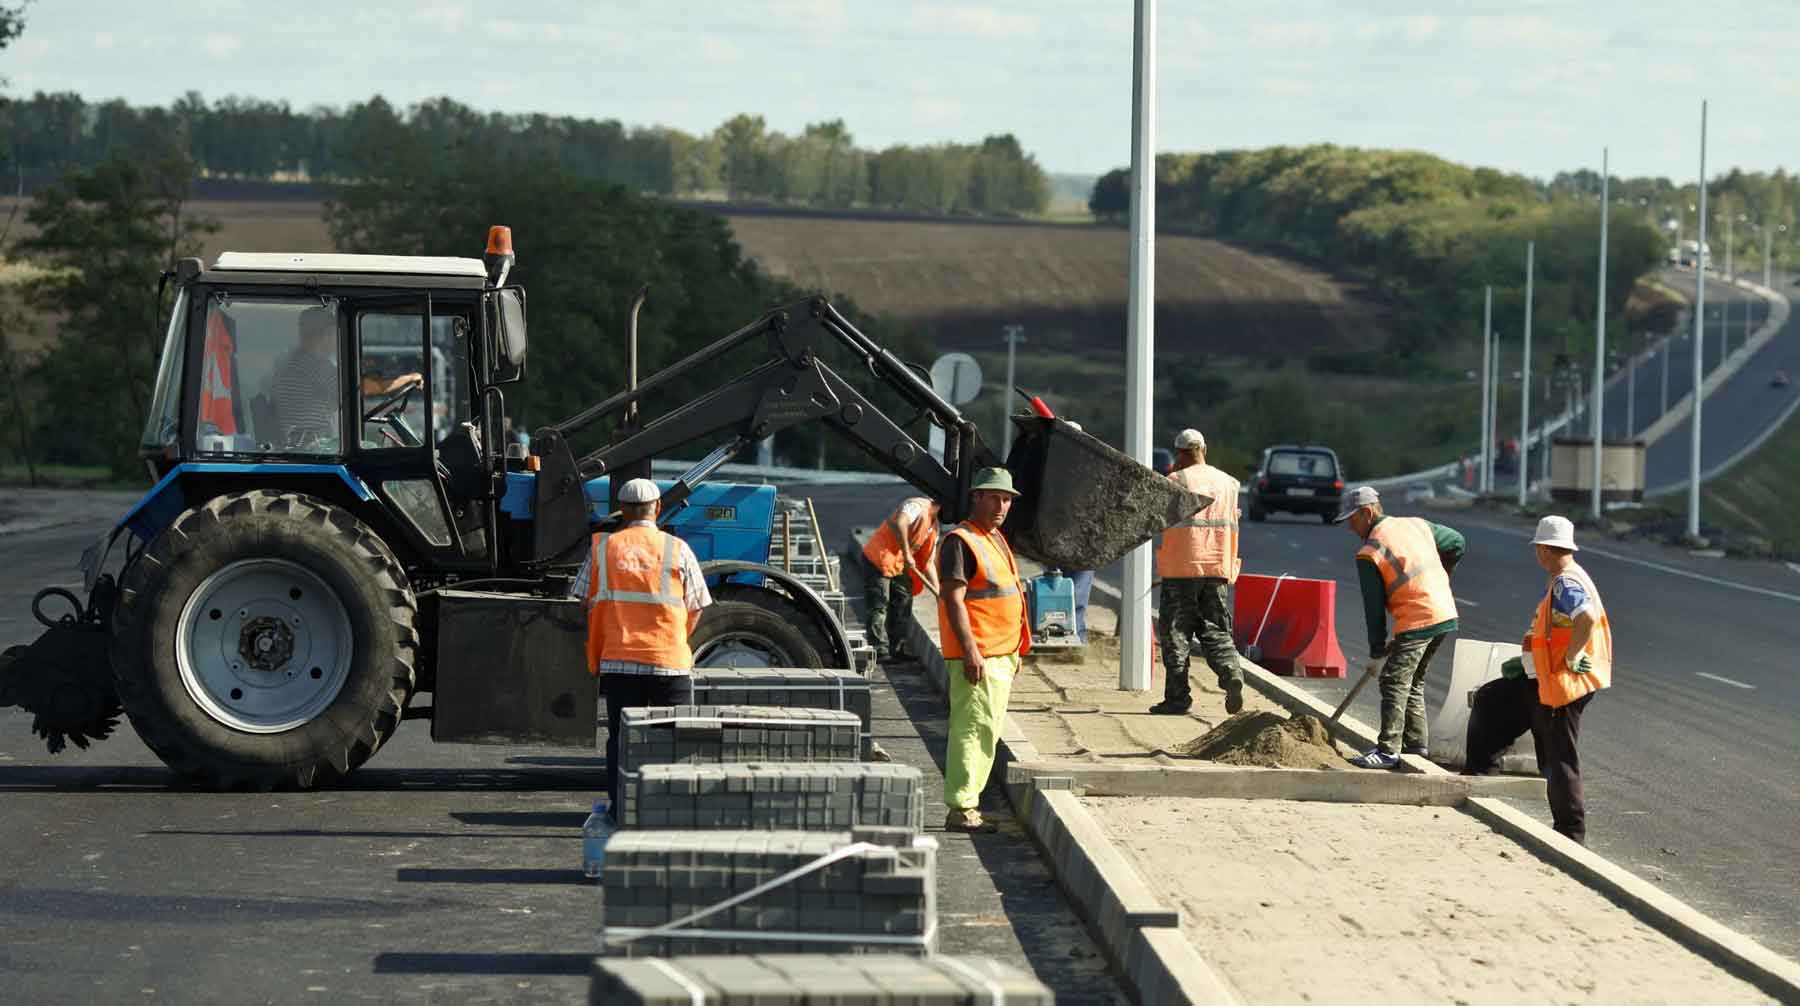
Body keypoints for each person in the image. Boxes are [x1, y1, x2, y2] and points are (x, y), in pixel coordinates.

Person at [1463, 516, 1612, 844]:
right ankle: (1479, 780)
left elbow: (1584, 619)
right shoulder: (1569, 577)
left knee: (1558, 756)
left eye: (1537, 549)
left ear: (1544, 549)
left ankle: (1571, 836)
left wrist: (1570, 656)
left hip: (1560, 683)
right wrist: (1528, 659)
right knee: (1491, 702)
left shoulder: (1566, 583)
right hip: (1540, 679)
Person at [572, 478, 714, 816]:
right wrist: (676, 637)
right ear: (658, 508)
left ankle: (623, 809)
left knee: (622, 743)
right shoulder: (676, 549)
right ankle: (672, 811)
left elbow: (580, 600)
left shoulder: (603, 549)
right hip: (670, 664)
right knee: (675, 741)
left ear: (621, 510)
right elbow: (697, 605)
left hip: (620, 663)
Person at [1336, 485, 1464, 769]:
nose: (1350, 528)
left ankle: (1387, 750)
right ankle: (1417, 746)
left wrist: (1376, 650)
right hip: (1444, 612)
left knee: (1393, 679)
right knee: (1413, 679)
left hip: (1419, 618)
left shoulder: (1370, 552)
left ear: (1368, 513)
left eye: (1352, 520)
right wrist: (1443, 578)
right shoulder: (1416, 525)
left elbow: (1374, 609)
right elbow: (1457, 542)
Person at [937, 467, 1032, 834]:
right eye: (993, 497)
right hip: (979, 655)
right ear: (976, 497)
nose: (1001, 505)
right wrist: (971, 651)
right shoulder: (961, 541)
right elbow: (953, 600)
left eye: (1006, 498)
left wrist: (1014, 650)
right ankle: (961, 808)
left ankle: (968, 803)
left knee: (985, 730)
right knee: (973, 729)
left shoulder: (992, 538)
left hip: (999, 654)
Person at [1150, 428, 1247, 716]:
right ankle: (1231, 673)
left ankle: (1178, 698)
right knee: (1216, 630)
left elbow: (1158, 519)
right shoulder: (1230, 483)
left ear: (1180, 453)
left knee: (1176, 633)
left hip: (1182, 569)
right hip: (1217, 568)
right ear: (1204, 448)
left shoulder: (1176, 481)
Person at [861, 495, 942, 663]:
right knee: (879, 604)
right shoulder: (917, 506)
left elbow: (928, 563)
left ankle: (897, 648)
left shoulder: (934, 528)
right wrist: (906, 553)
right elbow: (900, 523)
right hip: (878, 557)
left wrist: (938, 592)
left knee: (904, 601)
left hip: (897, 564)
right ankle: (879, 650)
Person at [271, 305, 343, 451]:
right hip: (311, 444)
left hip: (295, 441)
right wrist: (400, 381)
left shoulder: (289, 360)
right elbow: (353, 393)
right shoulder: (314, 363)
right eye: (336, 334)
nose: (337, 340)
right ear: (326, 335)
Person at [1062, 421, 1096, 644]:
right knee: (1070, 592)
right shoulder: (1089, 466)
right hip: (1073, 541)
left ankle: (1071, 638)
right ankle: (1072, 638)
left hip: (1073, 541)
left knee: (1069, 592)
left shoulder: (1084, 467)